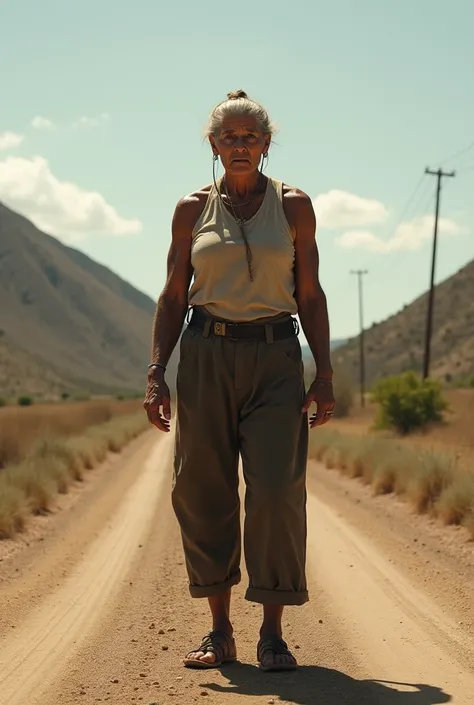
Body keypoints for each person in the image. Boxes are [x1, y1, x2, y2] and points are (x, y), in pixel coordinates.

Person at [143, 90, 335, 672]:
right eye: (230, 136)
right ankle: (219, 630)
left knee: (277, 490)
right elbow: (175, 294)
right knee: (204, 491)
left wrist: (324, 373)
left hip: (277, 356)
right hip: (205, 354)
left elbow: (310, 294)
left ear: (267, 143)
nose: (240, 144)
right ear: (213, 145)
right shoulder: (190, 209)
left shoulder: (294, 206)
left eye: (251, 135)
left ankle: (272, 632)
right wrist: (157, 371)